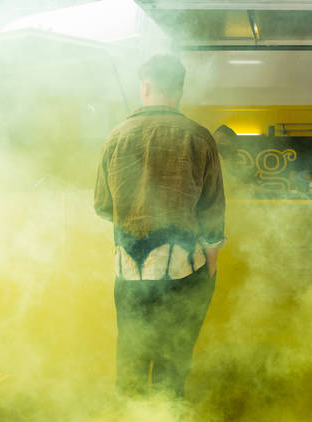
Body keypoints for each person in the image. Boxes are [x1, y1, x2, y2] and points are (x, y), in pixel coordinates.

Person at [94, 55, 225, 399]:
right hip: (185, 271)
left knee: (132, 366)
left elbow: (102, 206)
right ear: (180, 90)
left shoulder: (115, 136)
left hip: (128, 271)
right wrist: (210, 266)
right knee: (172, 367)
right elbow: (212, 212)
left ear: (145, 86)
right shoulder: (199, 137)